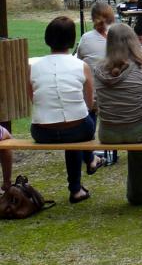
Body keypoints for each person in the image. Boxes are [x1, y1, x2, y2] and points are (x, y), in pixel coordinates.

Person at [29, 16, 101, 204]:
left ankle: (81, 180)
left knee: (74, 127)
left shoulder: (33, 67)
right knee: (83, 120)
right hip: (78, 129)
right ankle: (85, 170)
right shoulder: (81, 66)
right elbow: (89, 102)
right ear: (71, 40)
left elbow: (33, 98)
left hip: (42, 131)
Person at [94, 23, 142, 206]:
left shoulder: (98, 71)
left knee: (136, 131)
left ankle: (141, 188)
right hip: (141, 131)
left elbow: (97, 104)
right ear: (133, 42)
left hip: (108, 133)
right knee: (141, 131)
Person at [76, 1, 115, 69]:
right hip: (115, 78)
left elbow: (79, 60)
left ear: (93, 18)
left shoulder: (86, 38)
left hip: (92, 78)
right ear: (111, 16)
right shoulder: (119, 36)